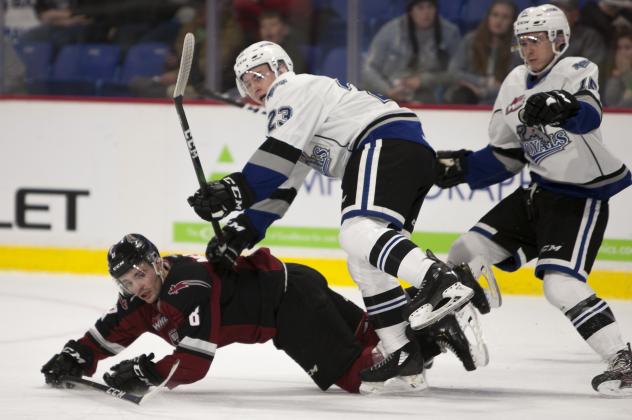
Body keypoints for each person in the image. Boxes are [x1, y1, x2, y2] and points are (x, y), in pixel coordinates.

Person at [186, 40, 496, 393]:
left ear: (281, 68)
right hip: (399, 147)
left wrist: (232, 189)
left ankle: (440, 281)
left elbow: (275, 157)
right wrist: (243, 230)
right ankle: (404, 351)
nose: (255, 85)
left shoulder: (292, 88)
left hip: (383, 141)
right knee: (364, 260)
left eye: (259, 74)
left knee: (356, 231)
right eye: (246, 82)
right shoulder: (297, 110)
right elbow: (285, 179)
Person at [433, 4, 632, 397]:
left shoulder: (576, 69)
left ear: (559, 39)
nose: (528, 48)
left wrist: (564, 105)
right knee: (461, 252)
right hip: (537, 193)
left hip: (580, 197)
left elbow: (589, 115)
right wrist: (461, 168)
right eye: (523, 41)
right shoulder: (512, 84)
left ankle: (622, 359)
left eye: (536, 39)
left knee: (559, 285)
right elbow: (506, 157)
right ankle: (433, 342)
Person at [40, 234, 487, 395]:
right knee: (380, 340)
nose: (136, 285)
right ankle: (441, 313)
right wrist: (78, 355)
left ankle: (436, 325)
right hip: (293, 285)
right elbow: (113, 329)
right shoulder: (145, 297)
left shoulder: (185, 284)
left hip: (288, 307)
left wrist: (150, 373)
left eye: (140, 272)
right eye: (127, 280)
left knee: (357, 376)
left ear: (156, 263)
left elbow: (195, 362)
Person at [361, 0, 461, 103]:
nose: (426, 12)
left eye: (430, 7)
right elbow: (368, 69)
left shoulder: (449, 33)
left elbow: (457, 73)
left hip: (430, 100)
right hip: (388, 97)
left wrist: (424, 81)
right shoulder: (390, 31)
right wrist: (388, 91)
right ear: (410, 11)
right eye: (420, 8)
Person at [446, 0, 519, 105]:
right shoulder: (470, 40)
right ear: (487, 17)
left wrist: (483, 92)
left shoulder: (517, 47)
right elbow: (453, 72)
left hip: (503, 101)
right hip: (470, 98)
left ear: (513, 21)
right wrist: (482, 82)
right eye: (495, 15)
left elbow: (516, 84)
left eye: (505, 17)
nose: (498, 21)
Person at [550, 0, 607, 70]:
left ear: (575, 16)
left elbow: (591, 69)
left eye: (561, 14)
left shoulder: (589, 37)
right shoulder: (544, 37)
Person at [604, 28, 632, 106]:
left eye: (627, 47)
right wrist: (615, 79)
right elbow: (612, 105)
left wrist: (627, 73)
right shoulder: (614, 76)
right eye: (619, 48)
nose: (622, 52)